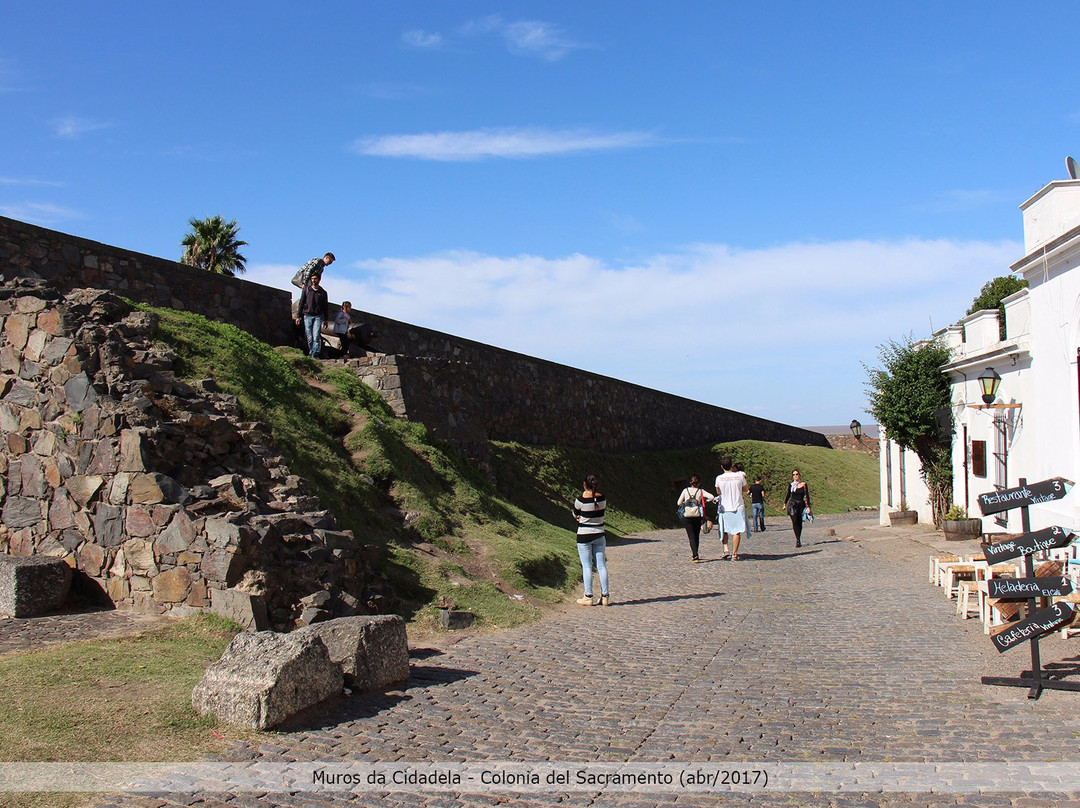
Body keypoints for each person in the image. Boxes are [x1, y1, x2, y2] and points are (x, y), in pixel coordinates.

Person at [573, 474, 610, 606]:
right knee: (601, 566)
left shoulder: (580, 500)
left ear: (584, 485)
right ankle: (605, 596)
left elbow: (575, 513)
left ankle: (588, 596)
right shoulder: (603, 499)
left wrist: (579, 517)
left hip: (584, 535)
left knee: (587, 565)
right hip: (599, 534)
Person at [715, 456, 749, 560]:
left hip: (725, 507)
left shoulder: (719, 478)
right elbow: (745, 489)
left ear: (722, 466)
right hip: (737, 506)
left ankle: (726, 549)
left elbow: (718, 491)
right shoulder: (739, 477)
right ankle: (734, 554)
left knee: (724, 529)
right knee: (736, 531)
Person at [677, 475, 717, 563]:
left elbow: (679, 503)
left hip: (687, 515)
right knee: (696, 535)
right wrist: (703, 501)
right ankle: (696, 553)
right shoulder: (701, 491)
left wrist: (685, 503)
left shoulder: (685, 490)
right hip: (697, 515)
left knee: (691, 536)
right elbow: (711, 497)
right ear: (699, 482)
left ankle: (694, 554)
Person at [296, 272, 329, 358]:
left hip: (318, 316)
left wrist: (326, 319)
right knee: (309, 337)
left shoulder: (323, 293)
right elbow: (301, 303)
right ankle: (311, 352)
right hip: (307, 315)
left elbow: (325, 306)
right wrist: (298, 316)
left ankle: (314, 354)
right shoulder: (307, 290)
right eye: (312, 279)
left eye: (315, 279)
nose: (314, 281)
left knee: (316, 336)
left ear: (319, 280)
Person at [784, 469, 812, 548]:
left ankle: (798, 539)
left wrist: (808, 507)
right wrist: (784, 503)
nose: (795, 476)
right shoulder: (791, 485)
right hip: (792, 505)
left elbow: (806, 496)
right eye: (794, 474)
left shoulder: (803, 484)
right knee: (794, 521)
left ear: (799, 475)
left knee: (799, 523)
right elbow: (788, 494)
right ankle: (797, 539)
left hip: (801, 504)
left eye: (797, 474)